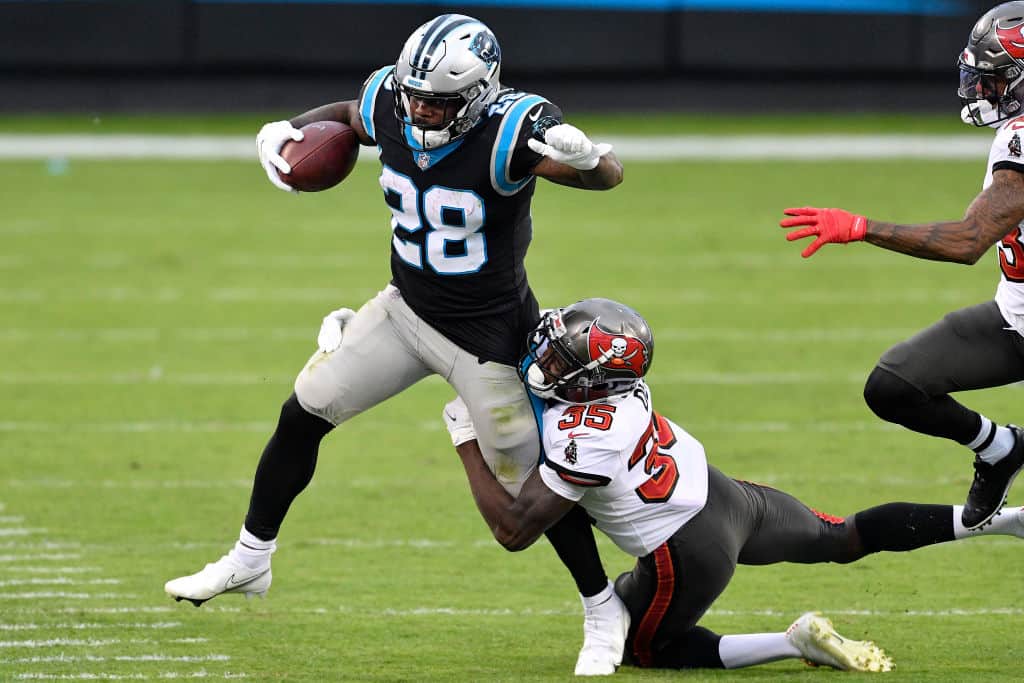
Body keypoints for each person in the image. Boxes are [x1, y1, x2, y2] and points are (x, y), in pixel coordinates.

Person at [165, 14, 628, 674]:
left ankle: (601, 606)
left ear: (477, 95)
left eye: (437, 100)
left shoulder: (512, 128)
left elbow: (603, 175)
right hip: (405, 310)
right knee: (303, 412)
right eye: (414, 95)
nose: (419, 110)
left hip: (488, 340)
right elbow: (353, 115)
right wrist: (286, 128)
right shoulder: (396, 98)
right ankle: (250, 557)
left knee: (532, 490)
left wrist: (590, 160)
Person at [443, 297, 1024, 673]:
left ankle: (792, 642)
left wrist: (465, 439)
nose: (546, 359)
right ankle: (1001, 521)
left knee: (647, 649)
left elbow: (515, 530)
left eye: (563, 358)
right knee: (843, 538)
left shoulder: (587, 432)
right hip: (728, 497)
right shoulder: (619, 394)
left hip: (687, 550)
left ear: (596, 381)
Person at [777, 1, 1024, 532]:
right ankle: (1001, 448)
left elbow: (967, 241)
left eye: (996, 78)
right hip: (1015, 317)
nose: (982, 89)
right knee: (894, 386)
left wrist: (863, 227)